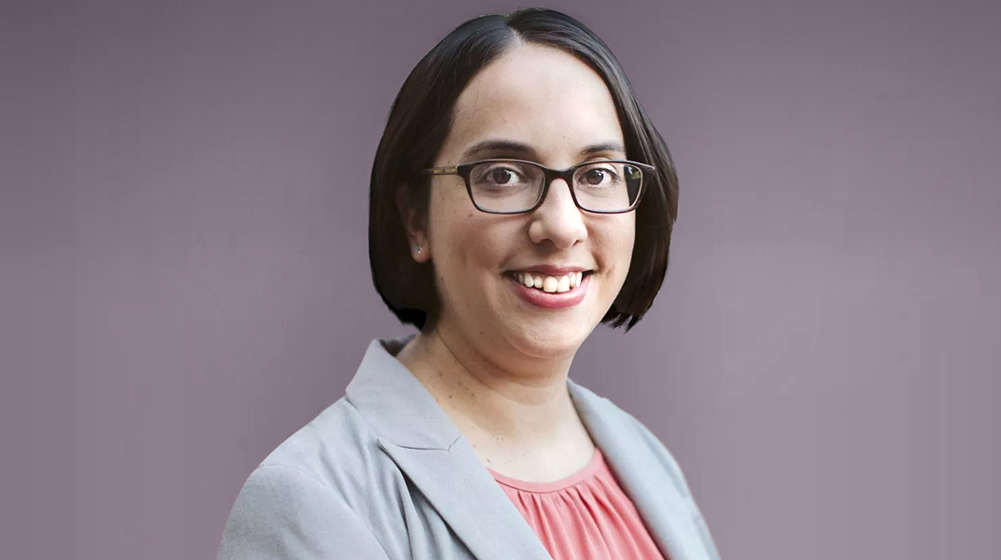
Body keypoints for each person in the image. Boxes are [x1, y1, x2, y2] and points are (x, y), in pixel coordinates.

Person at [217, 8, 721, 560]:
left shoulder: (646, 464)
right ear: (416, 218)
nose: (560, 226)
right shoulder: (311, 500)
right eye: (503, 174)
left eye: (597, 174)